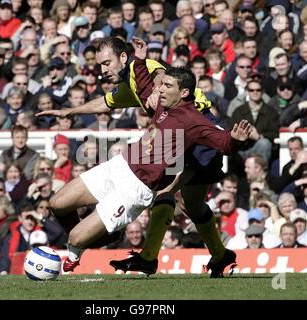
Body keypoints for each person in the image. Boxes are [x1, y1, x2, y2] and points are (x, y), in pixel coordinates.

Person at [37, 37, 252, 274]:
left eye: (106, 63)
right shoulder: (133, 84)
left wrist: (156, 85)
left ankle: (152, 256)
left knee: (179, 198)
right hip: (152, 148)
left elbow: (159, 72)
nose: (103, 71)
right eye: (100, 65)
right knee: (186, 202)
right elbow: (105, 103)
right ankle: (213, 255)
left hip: (198, 135)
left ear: (122, 57)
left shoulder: (160, 84)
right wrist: (70, 110)